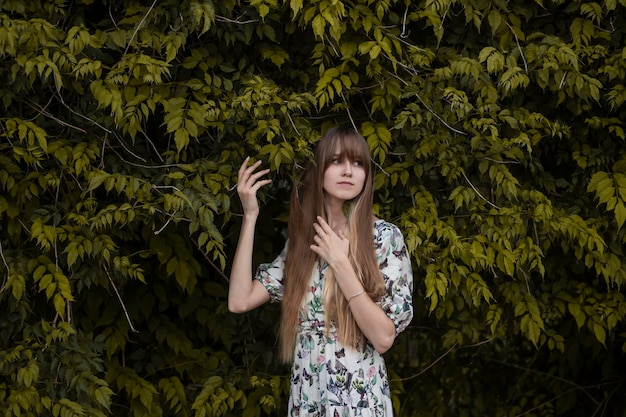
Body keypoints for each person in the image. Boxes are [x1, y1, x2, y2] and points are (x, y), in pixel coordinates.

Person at [228, 127, 414, 417]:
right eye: (337, 161)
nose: (348, 171)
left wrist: (341, 263)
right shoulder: (305, 243)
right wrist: (250, 216)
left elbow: (383, 338)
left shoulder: (383, 238)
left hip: (360, 401)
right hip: (308, 399)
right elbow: (239, 301)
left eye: (357, 163)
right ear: (319, 170)